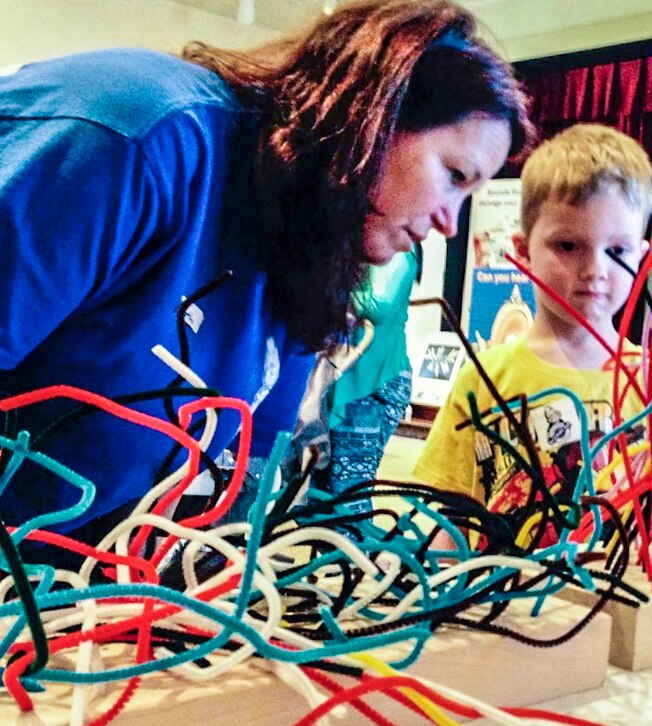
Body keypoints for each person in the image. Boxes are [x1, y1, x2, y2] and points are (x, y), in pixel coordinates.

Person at [0, 0, 532, 547]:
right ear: (378, 113)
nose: (450, 222)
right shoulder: (139, 139)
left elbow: (237, 487)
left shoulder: (308, 247)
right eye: (453, 175)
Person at [413, 124, 652, 545]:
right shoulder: (484, 378)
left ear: (643, 257)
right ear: (522, 251)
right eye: (567, 246)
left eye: (617, 251)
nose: (595, 270)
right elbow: (448, 524)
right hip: (498, 605)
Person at [325, 244, 420, 503]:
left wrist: (329, 288)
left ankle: (352, 545)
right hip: (349, 377)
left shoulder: (399, 250)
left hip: (373, 382)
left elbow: (377, 305)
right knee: (324, 492)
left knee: (349, 489)